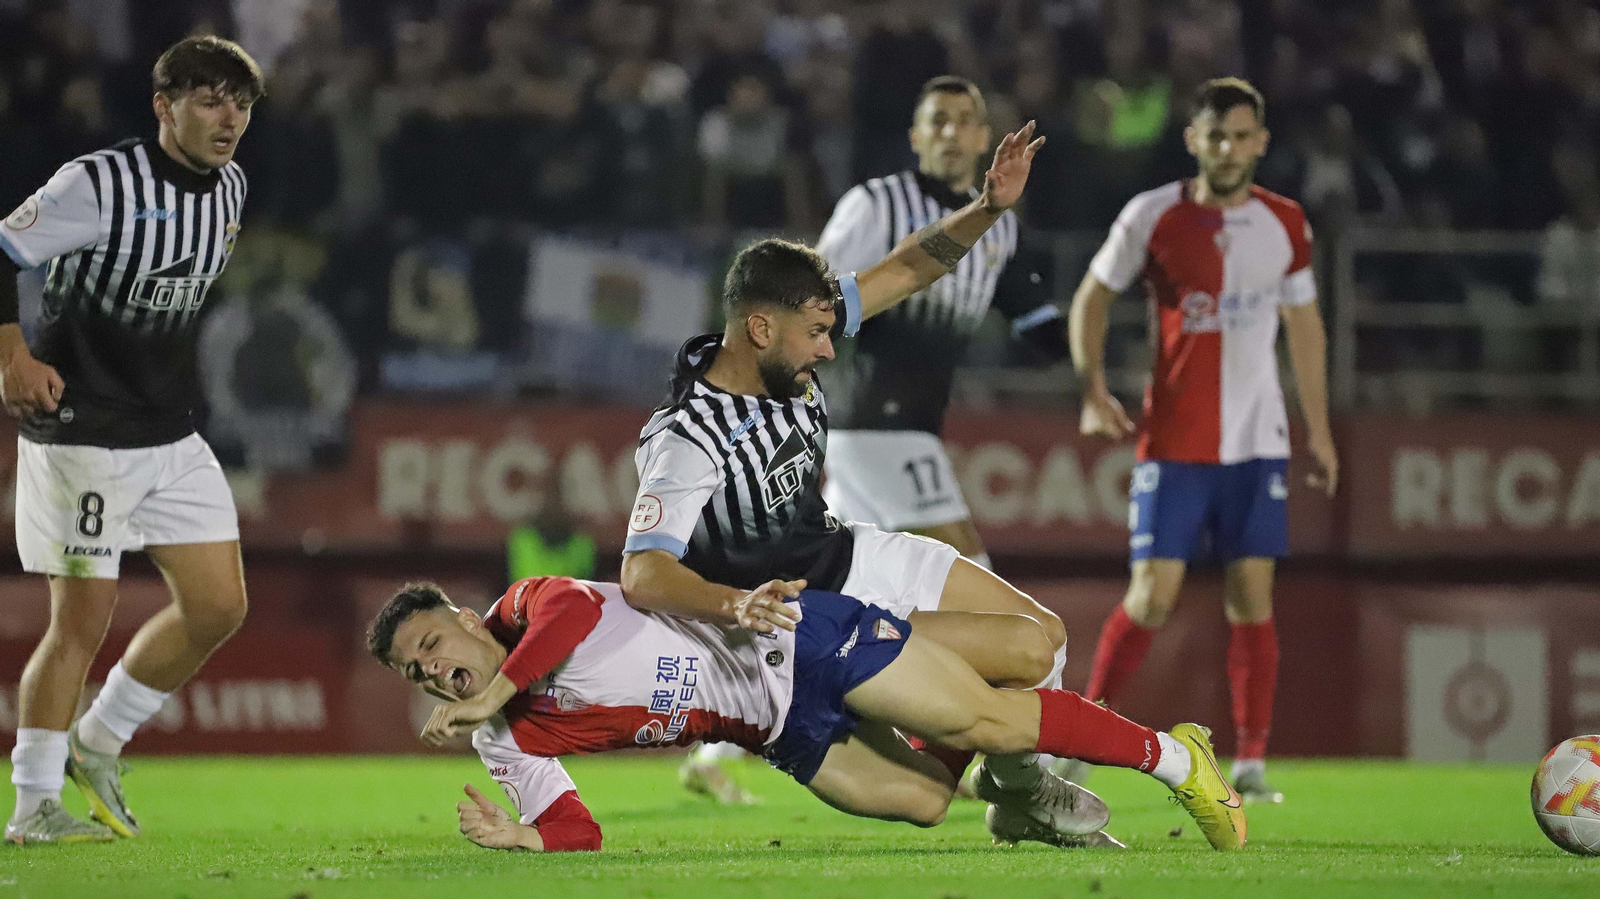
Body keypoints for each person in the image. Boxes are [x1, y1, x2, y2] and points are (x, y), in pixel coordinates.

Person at [622, 122, 1098, 834]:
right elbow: (642, 573)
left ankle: (1015, 793)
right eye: (816, 334)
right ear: (759, 329)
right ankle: (997, 774)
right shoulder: (690, 437)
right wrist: (737, 604)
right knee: (944, 776)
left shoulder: (790, 339)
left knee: (1047, 636)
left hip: (853, 552)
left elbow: (907, 268)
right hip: (806, 624)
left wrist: (988, 207)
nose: (830, 346)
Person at [365, 576, 1247, 852]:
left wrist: (492, 688)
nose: (435, 670)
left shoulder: (529, 604)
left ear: (468, 617)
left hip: (796, 640)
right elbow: (577, 829)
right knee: (927, 802)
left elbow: (579, 618)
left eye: (434, 644)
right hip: (774, 727)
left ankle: (1177, 758)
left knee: (994, 712)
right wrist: (526, 837)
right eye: (418, 669)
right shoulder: (502, 732)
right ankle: (1012, 777)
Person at [1, 36, 263, 844]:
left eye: (242, 104)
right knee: (82, 617)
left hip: (170, 431)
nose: (230, 119)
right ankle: (33, 803)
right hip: (83, 432)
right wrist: (13, 352)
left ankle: (99, 739)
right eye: (211, 99)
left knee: (220, 605)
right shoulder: (99, 182)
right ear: (164, 105)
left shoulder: (232, 187)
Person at [1067, 78, 1339, 804]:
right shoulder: (1152, 215)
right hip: (1176, 442)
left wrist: (1319, 427)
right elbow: (1093, 297)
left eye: (1241, 135)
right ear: (1194, 140)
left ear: (1261, 142)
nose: (1227, 148)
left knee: (1253, 597)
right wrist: (1093, 388)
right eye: (1215, 135)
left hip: (1259, 442)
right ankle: (1084, 739)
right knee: (1152, 597)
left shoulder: (1286, 223)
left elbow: (1305, 329)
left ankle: (1250, 763)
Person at [814, 75, 1070, 571]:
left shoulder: (1002, 227)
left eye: (964, 123)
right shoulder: (875, 204)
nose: (951, 134)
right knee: (975, 581)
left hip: (905, 430)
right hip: (874, 424)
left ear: (982, 138)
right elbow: (811, 300)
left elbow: (1042, 333)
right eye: (938, 122)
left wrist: (1100, 341)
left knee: (857, 587)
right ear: (916, 138)